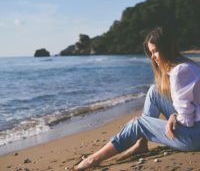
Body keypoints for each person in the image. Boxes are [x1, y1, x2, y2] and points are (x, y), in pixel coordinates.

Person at [73, 27, 200, 170]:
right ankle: (141, 143)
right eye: (151, 52)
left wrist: (174, 117)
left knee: (139, 123)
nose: (152, 57)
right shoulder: (186, 66)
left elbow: (187, 121)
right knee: (154, 91)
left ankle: (93, 159)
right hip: (196, 127)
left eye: (155, 51)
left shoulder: (180, 71)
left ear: (167, 48)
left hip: (194, 136)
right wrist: (174, 115)